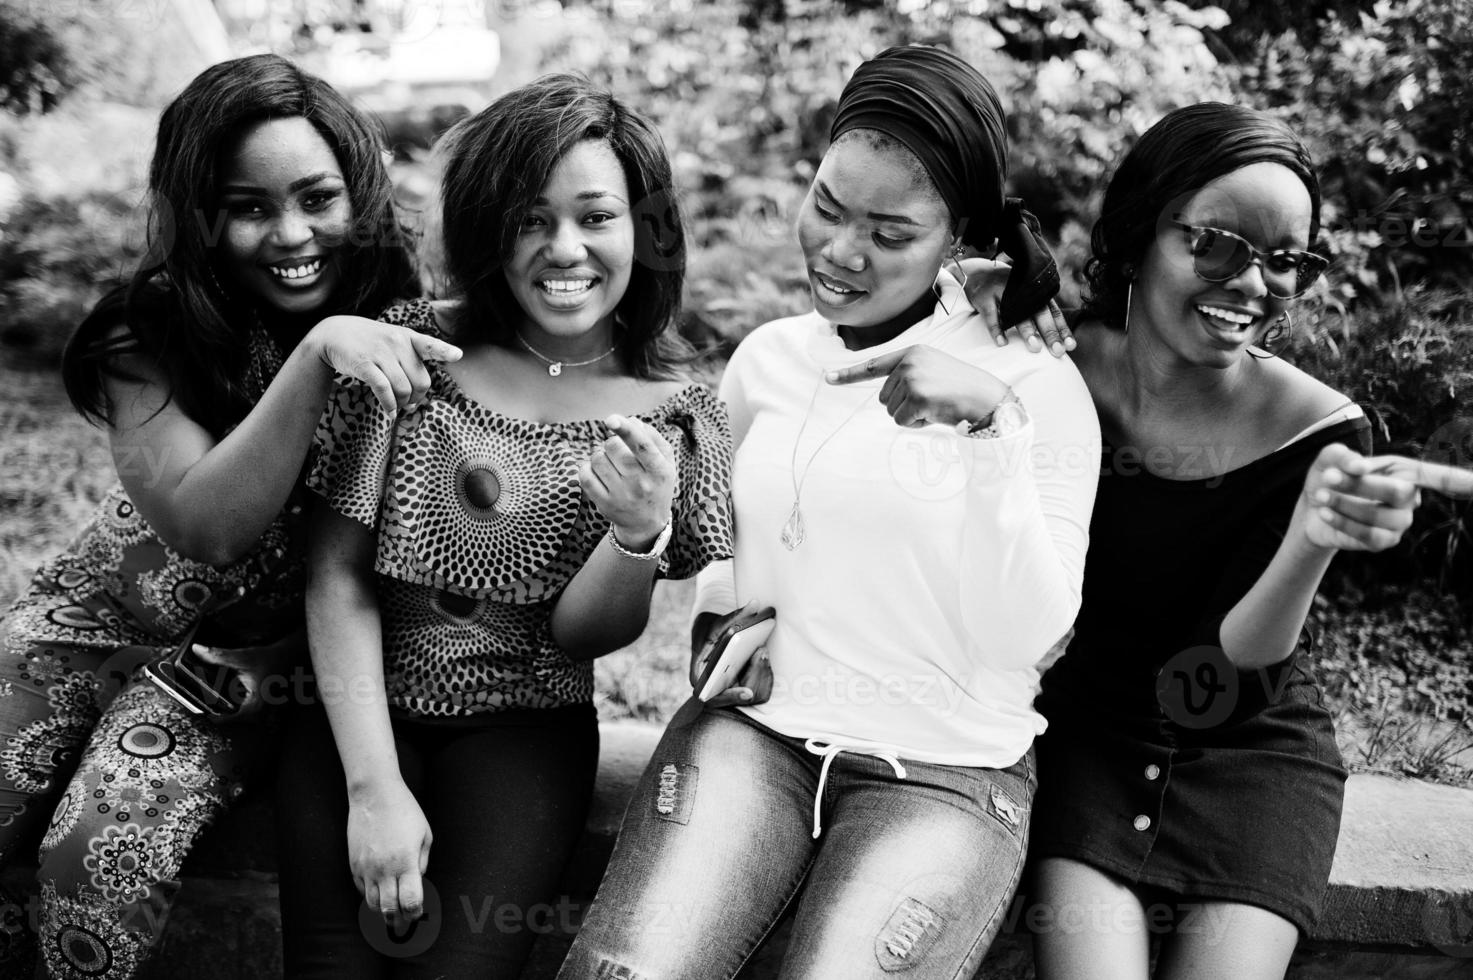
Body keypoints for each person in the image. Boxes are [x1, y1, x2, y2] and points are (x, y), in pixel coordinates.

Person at [555, 45, 1101, 980]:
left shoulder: (1030, 388)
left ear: (956, 237)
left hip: (944, 774)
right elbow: (728, 544)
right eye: (828, 207)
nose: (841, 253)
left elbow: (1027, 639)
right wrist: (688, 578)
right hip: (753, 739)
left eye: (890, 234)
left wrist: (988, 434)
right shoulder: (768, 359)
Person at [0, 54, 457, 979]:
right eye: (249, 207)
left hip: (250, 677)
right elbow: (202, 524)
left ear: (360, 195)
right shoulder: (148, 334)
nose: (292, 233)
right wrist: (319, 355)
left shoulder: (406, 325)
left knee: (98, 855)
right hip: (93, 621)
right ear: (199, 214)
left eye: (318, 198)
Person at [273, 73, 736, 977]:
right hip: (355, 721)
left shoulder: (675, 417)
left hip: (527, 733)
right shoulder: (415, 356)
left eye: (595, 216)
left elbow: (584, 636)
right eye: (530, 219)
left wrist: (636, 533)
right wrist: (374, 793)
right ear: (490, 229)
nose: (564, 249)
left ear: (643, 229)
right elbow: (337, 577)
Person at [1025, 103, 1473, 980]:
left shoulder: (1318, 430)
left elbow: (1227, 680)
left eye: (1284, 261)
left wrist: (1310, 541)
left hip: (1249, 752)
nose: (1251, 285)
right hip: (1093, 736)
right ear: (1140, 231)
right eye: (1217, 245)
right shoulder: (1053, 371)